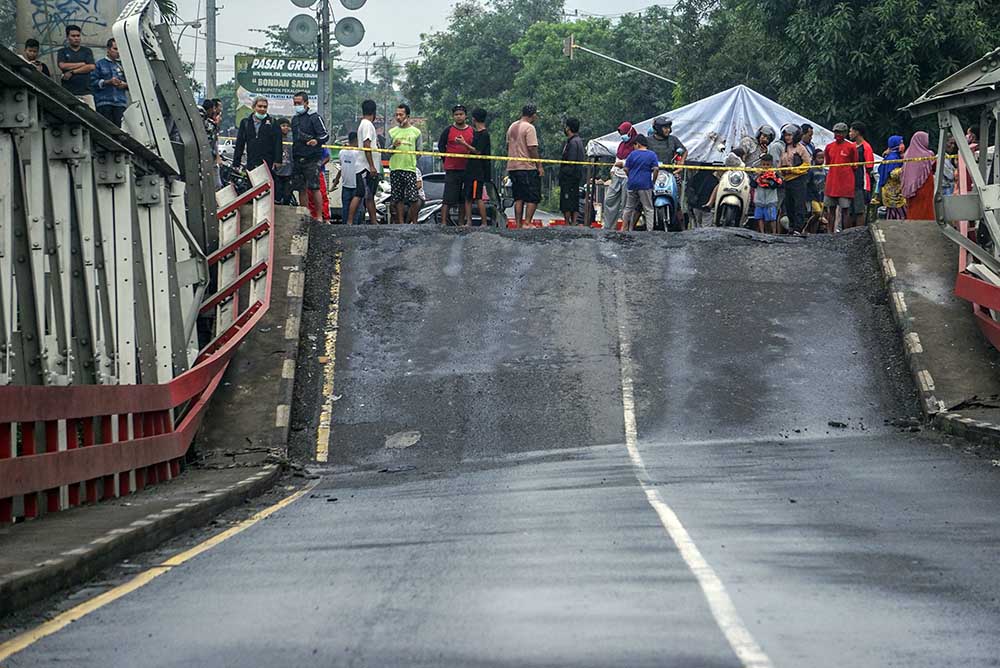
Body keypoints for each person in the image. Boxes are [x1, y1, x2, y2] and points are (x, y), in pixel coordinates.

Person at [290, 91, 330, 223]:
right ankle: (305, 215)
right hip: (298, 157)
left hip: (312, 158)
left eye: (299, 103)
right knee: (301, 188)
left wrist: (316, 141)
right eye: (295, 103)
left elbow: (325, 135)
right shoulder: (295, 119)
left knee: (314, 187)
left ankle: (319, 216)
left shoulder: (314, 117)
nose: (297, 105)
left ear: (306, 103)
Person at [506, 105, 543, 229]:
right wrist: (539, 165)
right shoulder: (529, 128)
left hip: (513, 166)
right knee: (533, 196)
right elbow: (532, 147)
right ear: (533, 115)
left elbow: (508, 145)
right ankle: (527, 222)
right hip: (527, 167)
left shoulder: (512, 126)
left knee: (519, 197)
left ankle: (518, 224)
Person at [437, 105, 475, 226]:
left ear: (466, 116)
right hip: (452, 169)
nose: (459, 117)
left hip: (467, 168)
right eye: (456, 115)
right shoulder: (448, 130)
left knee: (463, 199)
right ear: (453, 116)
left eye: (461, 114)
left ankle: (461, 223)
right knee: (448, 198)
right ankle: (443, 222)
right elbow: (441, 146)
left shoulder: (471, 131)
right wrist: (446, 159)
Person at [347, 99, 381, 226]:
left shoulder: (364, 124)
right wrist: (371, 166)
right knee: (360, 194)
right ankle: (350, 221)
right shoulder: (367, 125)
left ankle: (373, 221)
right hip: (365, 167)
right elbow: (367, 145)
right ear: (374, 112)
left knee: (369, 195)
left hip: (366, 166)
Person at [389, 103, 423, 224]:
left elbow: (419, 152)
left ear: (407, 116)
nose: (398, 117)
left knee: (413, 198)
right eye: (396, 115)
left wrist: (411, 158)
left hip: (409, 168)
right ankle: (401, 223)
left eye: (401, 114)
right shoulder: (392, 132)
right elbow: (386, 151)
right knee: (398, 198)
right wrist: (393, 146)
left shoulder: (416, 132)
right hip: (395, 168)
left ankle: (413, 221)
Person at [232, 97, 282, 173]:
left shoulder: (273, 122)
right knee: (252, 184)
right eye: (260, 106)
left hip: (268, 163)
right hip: (251, 162)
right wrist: (236, 163)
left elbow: (278, 143)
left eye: (265, 107)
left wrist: (278, 160)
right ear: (253, 107)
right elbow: (240, 144)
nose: (262, 109)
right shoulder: (246, 123)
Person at [602, 121, 637, 230]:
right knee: (609, 201)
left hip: (628, 177)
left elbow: (636, 159)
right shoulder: (621, 145)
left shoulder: (636, 145)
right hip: (617, 176)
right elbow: (617, 158)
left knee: (626, 205)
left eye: (624, 133)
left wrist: (623, 164)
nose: (623, 136)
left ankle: (626, 229)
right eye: (621, 134)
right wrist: (613, 170)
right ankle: (608, 227)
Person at [779, 124, 812, 234]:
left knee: (799, 205)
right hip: (787, 180)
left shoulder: (800, 148)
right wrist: (781, 170)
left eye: (790, 135)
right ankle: (791, 226)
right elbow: (779, 164)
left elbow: (807, 164)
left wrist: (794, 170)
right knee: (789, 205)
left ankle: (798, 228)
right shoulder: (784, 148)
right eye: (786, 135)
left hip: (798, 180)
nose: (787, 137)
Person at [622, 135, 659, 232]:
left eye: (634, 144)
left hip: (632, 184)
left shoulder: (632, 154)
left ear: (638, 144)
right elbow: (656, 169)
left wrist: (631, 177)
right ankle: (649, 230)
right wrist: (653, 181)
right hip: (645, 184)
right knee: (648, 208)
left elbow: (625, 168)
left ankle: (624, 228)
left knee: (628, 207)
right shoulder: (652, 155)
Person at [823, 122, 855, 232]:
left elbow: (854, 165)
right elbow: (828, 163)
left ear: (845, 133)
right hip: (831, 183)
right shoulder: (829, 147)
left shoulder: (851, 147)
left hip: (845, 184)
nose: (837, 134)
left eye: (840, 132)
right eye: (836, 132)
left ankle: (846, 233)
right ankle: (830, 233)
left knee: (845, 210)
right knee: (830, 210)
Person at [463, 108, 492, 226]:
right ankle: (468, 221)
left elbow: (478, 151)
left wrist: (464, 144)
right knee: (468, 197)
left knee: (478, 197)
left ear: (474, 119)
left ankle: (484, 222)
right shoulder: (475, 133)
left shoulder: (484, 134)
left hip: (478, 170)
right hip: (470, 169)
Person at [90, 38, 128, 127]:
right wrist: (107, 82)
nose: (118, 52)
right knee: (105, 129)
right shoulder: (99, 64)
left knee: (120, 130)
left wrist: (124, 85)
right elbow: (92, 83)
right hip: (104, 102)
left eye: (119, 49)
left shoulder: (124, 66)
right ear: (108, 49)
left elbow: (133, 83)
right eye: (115, 49)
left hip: (120, 103)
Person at [57, 25, 96, 110]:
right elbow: (62, 65)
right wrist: (82, 64)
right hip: (69, 92)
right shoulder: (62, 52)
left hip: (86, 92)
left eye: (78, 36)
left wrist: (72, 72)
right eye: (73, 36)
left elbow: (91, 67)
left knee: (92, 119)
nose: (76, 38)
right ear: (68, 37)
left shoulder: (87, 51)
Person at [331, 132, 364, 224]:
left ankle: (345, 228)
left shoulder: (342, 152)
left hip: (346, 185)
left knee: (345, 209)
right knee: (356, 211)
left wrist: (336, 181)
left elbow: (342, 168)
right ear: (357, 140)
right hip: (356, 186)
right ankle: (354, 230)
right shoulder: (358, 153)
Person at [902, 130, 936, 220]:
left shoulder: (907, 154)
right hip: (925, 185)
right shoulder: (928, 155)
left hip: (911, 189)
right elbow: (935, 167)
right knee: (926, 207)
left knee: (913, 210)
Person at [847, 121, 874, 228]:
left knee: (859, 210)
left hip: (861, 182)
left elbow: (869, 166)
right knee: (848, 210)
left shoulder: (866, 147)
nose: (849, 133)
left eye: (851, 131)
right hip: (849, 182)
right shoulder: (851, 146)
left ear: (857, 132)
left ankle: (859, 231)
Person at [559, 117, 586, 225]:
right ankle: (572, 222)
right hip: (575, 176)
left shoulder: (573, 143)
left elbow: (571, 161)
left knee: (568, 201)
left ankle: (568, 222)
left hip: (569, 177)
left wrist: (564, 173)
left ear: (568, 128)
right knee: (574, 199)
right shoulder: (577, 141)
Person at [754, 153, 783, 234]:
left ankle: (774, 233)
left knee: (772, 218)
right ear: (760, 164)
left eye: (768, 165)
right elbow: (753, 184)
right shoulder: (756, 173)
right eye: (763, 164)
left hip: (771, 200)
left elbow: (777, 185)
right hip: (759, 199)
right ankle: (762, 232)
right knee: (760, 217)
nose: (765, 167)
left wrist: (768, 181)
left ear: (771, 165)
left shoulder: (774, 174)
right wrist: (758, 176)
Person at [305, 148, 332, 222]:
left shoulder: (320, 141)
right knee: (309, 195)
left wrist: (318, 165)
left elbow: (327, 157)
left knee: (322, 194)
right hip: (307, 172)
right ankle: (313, 217)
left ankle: (326, 218)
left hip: (318, 172)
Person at [806, 149, 828, 233]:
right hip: (813, 196)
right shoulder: (811, 170)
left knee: (821, 214)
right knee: (817, 213)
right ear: (814, 158)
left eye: (823, 158)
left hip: (821, 196)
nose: (821, 160)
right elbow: (808, 183)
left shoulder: (824, 171)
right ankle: (807, 228)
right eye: (819, 158)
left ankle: (814, 233)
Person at [274, 118, 295, 205]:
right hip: (277, 172)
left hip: (289, 171)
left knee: (287, 194)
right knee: (277, 194)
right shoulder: (274, 139)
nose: (285, 128)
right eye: (283, 126)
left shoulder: (291, 139)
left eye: (287, 126)